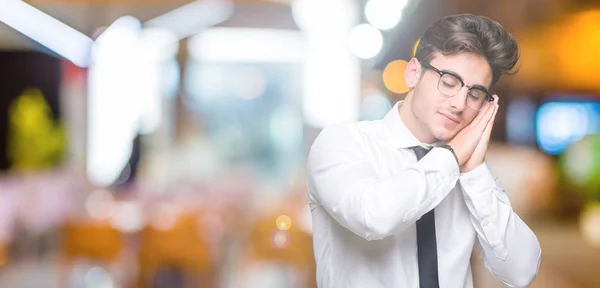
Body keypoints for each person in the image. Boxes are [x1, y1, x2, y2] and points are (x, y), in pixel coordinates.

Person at [306, 14, 541, 288]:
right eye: (449, 82)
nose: (459, 103)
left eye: (475, 94)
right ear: (413, 73)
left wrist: (474, 172)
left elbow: (521, 271)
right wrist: (451, 158)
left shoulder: (469, 171)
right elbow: (373, 217)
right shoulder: (343, 143)